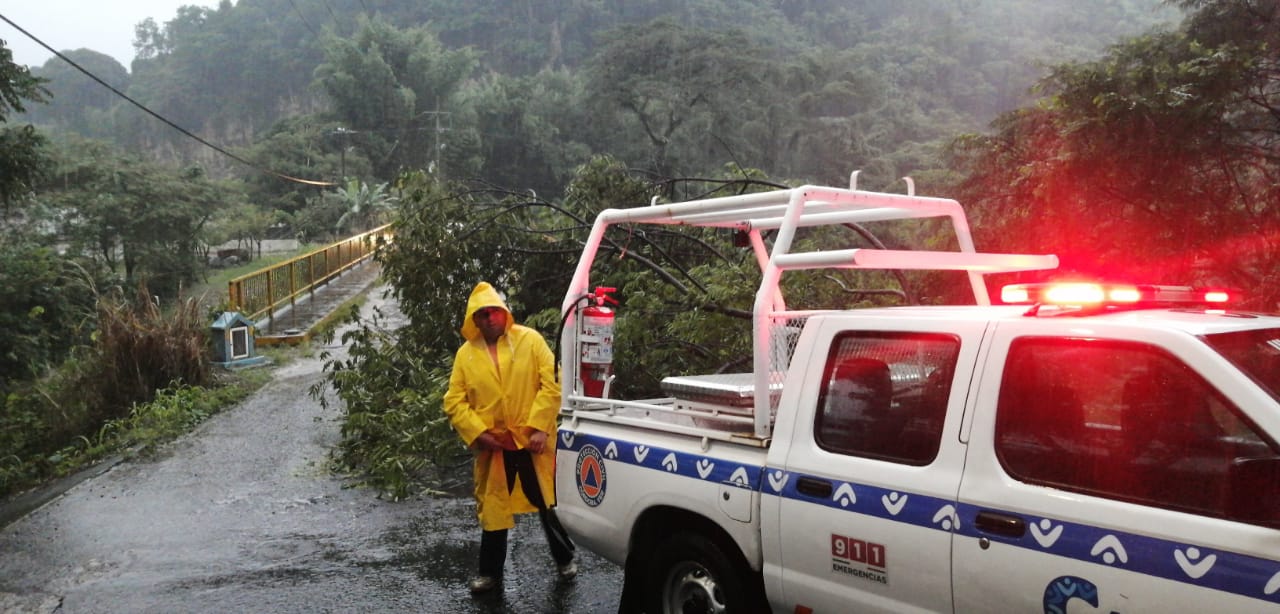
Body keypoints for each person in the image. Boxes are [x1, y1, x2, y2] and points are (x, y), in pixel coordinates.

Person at [443, 281, 576, 595]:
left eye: (493, 311)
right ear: (473, 320)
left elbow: (552, 383)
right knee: (494, 509)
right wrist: (478, 434)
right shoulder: (466, 355)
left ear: (504, 313)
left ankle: (565, 558)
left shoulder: (529, 341)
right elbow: (454, 401)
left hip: (532, 443)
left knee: (546, 503)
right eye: (481, 314)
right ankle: (489, 574)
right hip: (494, 446)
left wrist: (541, 427)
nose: (489, 318)